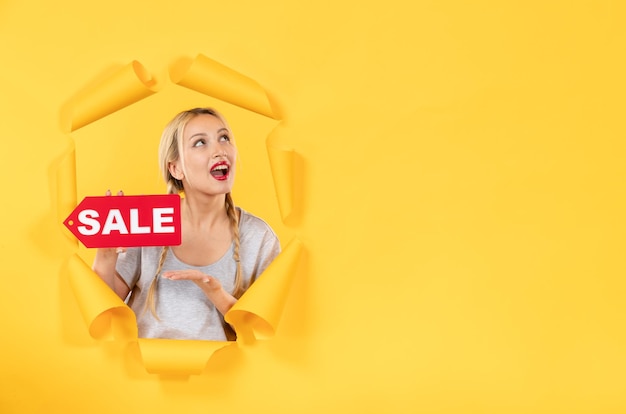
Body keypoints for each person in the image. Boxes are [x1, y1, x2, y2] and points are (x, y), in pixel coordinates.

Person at [92, 107, 281, 341]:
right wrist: (106, 256)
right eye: (200, 143)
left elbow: (265, 332)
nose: (219, 150)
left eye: (224, 138)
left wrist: (216, 293)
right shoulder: (147, 221)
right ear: (176, 168)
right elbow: (104, 314)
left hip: (224, 375)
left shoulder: (259, 237)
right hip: (144, 374)